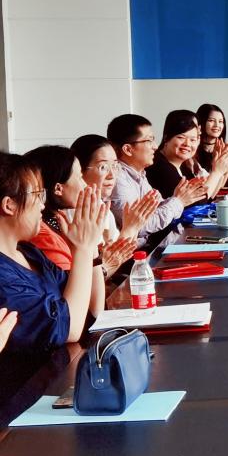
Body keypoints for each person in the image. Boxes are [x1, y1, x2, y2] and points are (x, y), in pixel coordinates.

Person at [0, 152, 107, 353]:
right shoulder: (3, 276)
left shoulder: (29, 253)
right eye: (37, 195)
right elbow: (70, 328)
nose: (42, 205)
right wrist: (83, 249)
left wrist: (90, 249)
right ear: (9, 205)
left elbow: (92, 310)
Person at [23, 145, 135, 279]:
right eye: (80, 177)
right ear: (58, 188)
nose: (85, 185)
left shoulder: (58, 220)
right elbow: (76, 287)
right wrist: (100, 263)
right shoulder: (43, 234)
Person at [108, 113, 207, 247]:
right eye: (149, 141)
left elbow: (158, 208)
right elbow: (141, 226)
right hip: (137, 255)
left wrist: (179, 199)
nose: (155, 146)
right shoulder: (118, 179)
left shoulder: (139, 174)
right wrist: (179, 201)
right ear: (128, 149)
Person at [71, 134, 160, 247]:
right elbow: (110, 257)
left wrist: (133, 227)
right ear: (79, 171)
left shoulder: (102, 206)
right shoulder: (75, 214)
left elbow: (120, 253)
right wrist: (130, 228)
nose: (112, 175)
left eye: (115, 166)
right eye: (103, 167)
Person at [147, 110, 228, 202]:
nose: (187, 144)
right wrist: (217, 171)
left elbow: (208, 197)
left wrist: (221, 169)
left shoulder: (183, 165)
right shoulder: (159, 165)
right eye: (181, 137)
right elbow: (198, 202)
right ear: (166, 137)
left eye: (193, 139)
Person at [196, 103, 228, 189]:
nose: (217, 125)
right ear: (201, 122)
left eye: (220, 121)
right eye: (211, 120)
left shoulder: (226, 150)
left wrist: (225, 162)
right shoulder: (191, 149)